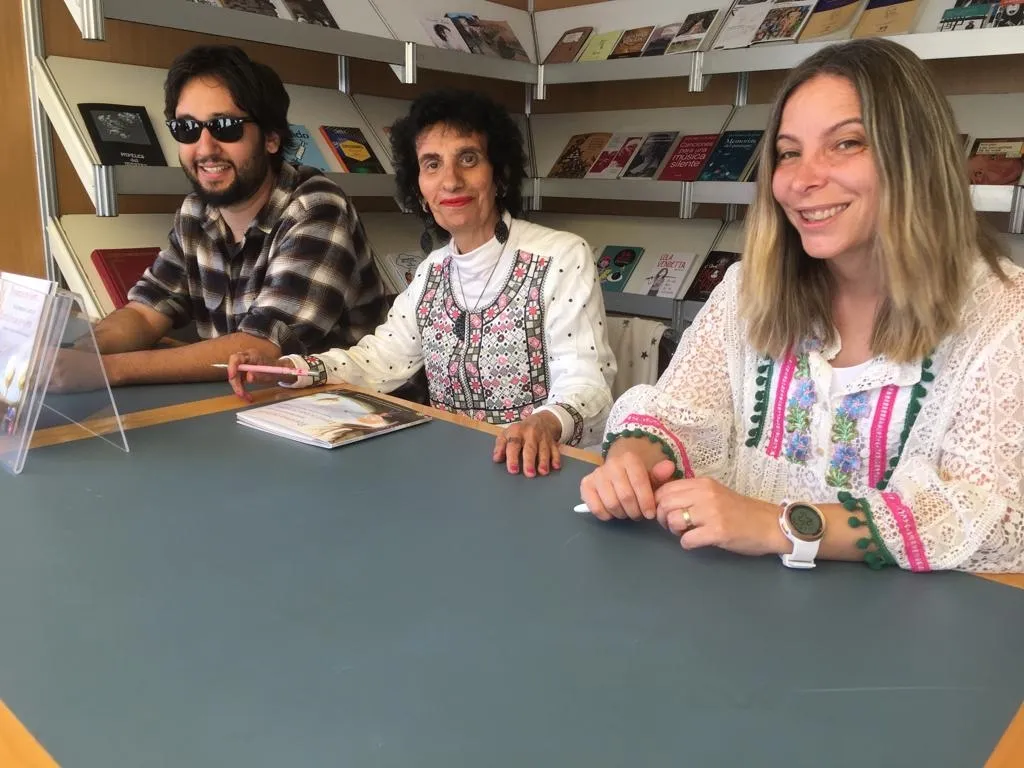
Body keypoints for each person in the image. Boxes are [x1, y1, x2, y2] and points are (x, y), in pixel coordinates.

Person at [580, 38, 1024, 573]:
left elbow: (994, 521)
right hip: (737, 613)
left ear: (917, 157)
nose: (803, 179)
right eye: (789, 152)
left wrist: (780, 525)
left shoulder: (1006, 315)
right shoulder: (749, 288)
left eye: (846, 143)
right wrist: (636, 456)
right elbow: (680, 410)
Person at [228, 88, 616, 479]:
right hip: (458, 474)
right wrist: (289, 368)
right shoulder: (431, 273)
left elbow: (588, 383)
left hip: (551, 473)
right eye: (432, 164)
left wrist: (546, 422)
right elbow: (378, 361)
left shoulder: (561, 257)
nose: (450, 181)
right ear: (419, 189)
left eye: (468, 158)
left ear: (499, 173)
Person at [52, 45, 386, 390]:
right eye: (186, 129)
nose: (205, 147)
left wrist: (106, 370)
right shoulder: (196, 211)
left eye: (225, 127)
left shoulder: (316, 207)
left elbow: (261, 345)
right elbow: (145, 312)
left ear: (271, 138)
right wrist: (72, 357)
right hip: (252, 406)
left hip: (350, 415)